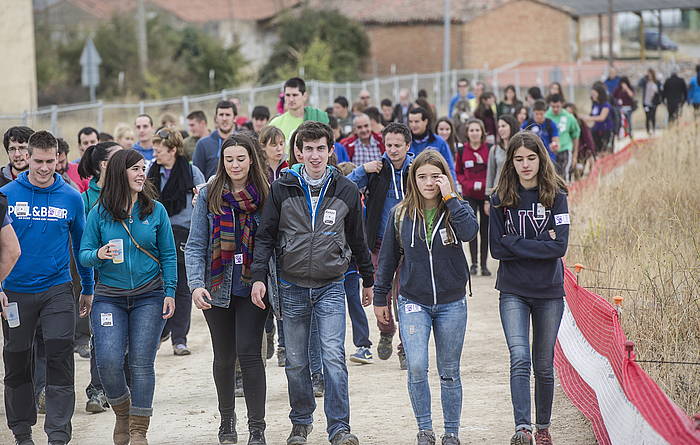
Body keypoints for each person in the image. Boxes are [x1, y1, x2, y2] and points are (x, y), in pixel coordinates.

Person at [250, 121, 374, 445]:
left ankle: (339, 428)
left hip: (331, 284)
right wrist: (258, 277)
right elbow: (264, 236)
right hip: (290, 286)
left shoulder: (346, 189)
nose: (315, 155)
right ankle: (301, 423)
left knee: (333, 355)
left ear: (330, 151)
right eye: (309, 149)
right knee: (296, 360)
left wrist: (369, 279)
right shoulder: (282, 188)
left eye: (321, 148)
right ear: (298, 152)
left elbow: (358, 238)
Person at [373, 149, 478, 445]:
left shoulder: (458, 208)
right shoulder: (400, 214)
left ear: (444, 177)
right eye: (422, 177)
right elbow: (388, 260)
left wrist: (451, 198)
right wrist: (380, 298)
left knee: (449, 371)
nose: (429, 182)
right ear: (413, 179)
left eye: (435, 176)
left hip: (451, 302)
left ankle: (451, 432)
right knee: (417, 365)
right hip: (412, 300)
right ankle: (425, 429)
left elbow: (470, 232)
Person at [1, 130, 94, 445]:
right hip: (15, 292)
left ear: (59, 159)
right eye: (37, 161)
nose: (43, 168)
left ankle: (57, 433)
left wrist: (88, 287)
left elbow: (82, 246)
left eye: (49, 161)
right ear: (27, 158)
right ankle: (21, 431)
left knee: (59, 356)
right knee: (16, 360)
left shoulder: (71, 197)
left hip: (57, 289)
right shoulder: (8, 194)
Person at [79, 149, 177, 445]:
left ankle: (137, 430)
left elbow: (169, 254)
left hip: (150, 295)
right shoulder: (99, 211)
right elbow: (83, 255)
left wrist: (170, 291)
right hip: (109, 297)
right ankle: (123, 413)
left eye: (143, 168)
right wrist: (98, 254)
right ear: (120, 173)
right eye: (134, 169)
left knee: (141, 363)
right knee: (108, 361)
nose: (140, 174)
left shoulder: (155, 210)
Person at [185, 133, 271, 445]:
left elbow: (271, 243)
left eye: (240, 158)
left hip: (253, 287)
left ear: (252, 160)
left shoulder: (265, 194)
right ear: (222, 161)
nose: (235, 164)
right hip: (216, 287)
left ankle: (257, 427)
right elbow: (194, 245)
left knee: (250, 355)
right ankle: (227, 420)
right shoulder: (209, 194)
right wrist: (195, 285)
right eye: (229, 159)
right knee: (224, 357)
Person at [489, 131, 569, 445]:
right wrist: (539, 243)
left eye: (531, 158)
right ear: (511, 161)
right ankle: (522, 428)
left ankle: (543, 427)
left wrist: (516, 243)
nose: (525, 165)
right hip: (513, 289)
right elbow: (496, 248)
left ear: (540, 159)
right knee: (520, 358)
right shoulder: (499, 198)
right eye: (519, 159)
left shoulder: (557, 194)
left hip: (549, 290)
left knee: (544, 364)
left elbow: (560, 246)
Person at [347, 122, 415, 369]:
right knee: (381, 294)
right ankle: (386, 330)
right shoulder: (375, 169)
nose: (393, 150)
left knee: (407, 296)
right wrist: (361, 170)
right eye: (389, 145)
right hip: (379, 243)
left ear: (408, 146)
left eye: (398, 145)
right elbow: (345, 187)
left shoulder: (415, 169)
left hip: (411, 244)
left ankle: (405, 347)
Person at [78, 141, 126, 413]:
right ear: (104, 165)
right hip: (99, 278)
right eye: (119, 157)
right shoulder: (86, 199)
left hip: (132, 279)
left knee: (128, 338)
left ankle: (123, 389)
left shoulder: (133, 190)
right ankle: (97, 390)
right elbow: (82, 244)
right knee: (102, 336)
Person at [149, 129, 205, 356]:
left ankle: (179, 338)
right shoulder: (150, 172)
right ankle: (161, 331)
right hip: (157, 234)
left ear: (172, 150)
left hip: (184, 234)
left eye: (158, 150)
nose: (155, 154)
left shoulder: (191, 173)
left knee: (182, 287)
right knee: (159, 285)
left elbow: (203, 201)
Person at [456, 119, 491, 277]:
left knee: (485, 229)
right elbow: (458, 172)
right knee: (472, 228)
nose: (475, 133)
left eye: (477, 130)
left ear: (482, 132)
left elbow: (492, 171)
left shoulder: (489, 149)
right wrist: (466, 184)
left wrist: (488, 192)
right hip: (469, 194)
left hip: (485, 195)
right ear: (467, 133)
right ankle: (474, 264)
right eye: (472, 130)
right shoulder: (463, 150)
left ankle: (484, 264)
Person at [269, 77, 329, 154]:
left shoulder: (317, 118)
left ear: (304, 96)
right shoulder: (275, 123)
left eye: (295, 95)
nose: (291, 99)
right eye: (287, 95)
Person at [408, 107, 456, 179]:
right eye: (411, 122)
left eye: (416, 121)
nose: (413, 125)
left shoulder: (439, 142)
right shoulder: (406, 142)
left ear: (425, 121)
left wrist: (452, 188)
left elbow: (449, 169)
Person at [194, 100, 238, 180]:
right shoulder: (203, 144)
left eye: (228, 115)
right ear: (216, 118)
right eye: (221, 115)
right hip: (212, 191)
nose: (224, 118)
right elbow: (197, 175)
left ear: (235, 118)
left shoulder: (244, 142)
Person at [545, 94, 580, 182]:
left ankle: (567, 193)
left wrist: (575, 155)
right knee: (552, 176)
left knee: (565, 174)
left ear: (562, 105)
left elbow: (575, 135)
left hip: (565, 149)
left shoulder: (569, 117)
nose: (555, 109)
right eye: (553, 107)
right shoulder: (546, 116)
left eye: (558, 106)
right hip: (550, 151)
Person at [486, 115, 519, 195]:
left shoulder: (520, 148)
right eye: (499, 127)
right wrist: (487, 196)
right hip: (498, 192)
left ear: (512, 126)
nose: (500, 129)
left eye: (503, 126)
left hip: (517, 192)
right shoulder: (494, 149)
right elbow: (491, 174)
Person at [564, 103, 596, 180]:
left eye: (571, 113)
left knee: (578, 175)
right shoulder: (560, 125)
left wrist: (591, 153)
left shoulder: (580, 123)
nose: (569, 116)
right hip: (565, 153)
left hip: (580, 153)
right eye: (567, 113)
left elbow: (588, 138)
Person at [582, 84, 614, 153]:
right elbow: (592, 115)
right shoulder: (595, 105)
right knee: (596, 149)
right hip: (595, 129)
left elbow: (602, 117)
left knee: (604, 149)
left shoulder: (606, 105)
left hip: (605, 130)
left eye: (594, 94)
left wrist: (589, 118)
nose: (592, 96)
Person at [638, 69, 662, 136]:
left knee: (653, 116)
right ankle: (648, 131)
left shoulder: (656, 82)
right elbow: (639, 84)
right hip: (646, 102)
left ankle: (653, 129)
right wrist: (644, 77)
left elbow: (660, 90)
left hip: (654, 102)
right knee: (647, 117)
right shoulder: (645, 82)